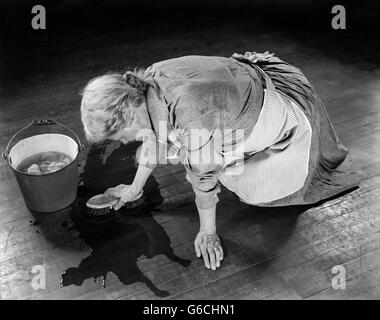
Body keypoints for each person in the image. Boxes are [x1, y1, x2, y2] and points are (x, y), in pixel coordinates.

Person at [80, 52, 356, 271]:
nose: (123, 141)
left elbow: (203, 179)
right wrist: (133, 189)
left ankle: (235, 154)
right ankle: (207, 150)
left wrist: (208, 231)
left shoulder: (192, 116)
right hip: (249, 90)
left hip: (286, 109)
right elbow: (155, 131)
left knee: (244, 185)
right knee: (150, 151)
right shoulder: (147, 84)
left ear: (127, 115)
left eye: (118, 135)